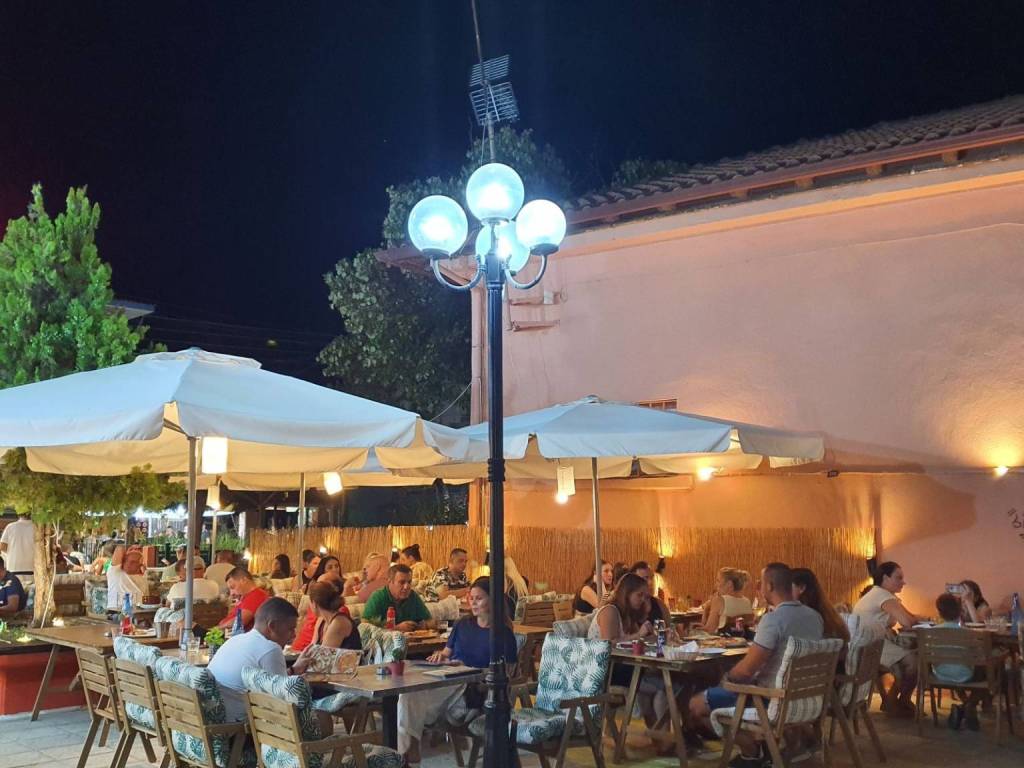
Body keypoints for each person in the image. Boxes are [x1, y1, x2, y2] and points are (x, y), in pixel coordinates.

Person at [689, 563, 824, 766]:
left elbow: (745, 671)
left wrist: (726, 680)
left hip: (769, 699)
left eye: (761, 583)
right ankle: (763, 749)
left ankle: (751, 751)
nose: (759, 587)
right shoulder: (815, 618)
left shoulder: (773, 620)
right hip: (804, 698)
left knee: (695, 705)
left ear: (770, 586)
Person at [397, 577, 518, 762]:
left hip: (473, 685)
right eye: (471, 598)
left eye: (479, 598)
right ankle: (408, 750)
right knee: (408, 694)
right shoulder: (462, 624)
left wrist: (471, 670)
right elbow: (446, 653)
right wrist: (440, 657)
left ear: (493, 600)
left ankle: (408, 754)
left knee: (415, 700)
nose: (473, 602)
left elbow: (507, 674)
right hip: (449, 676)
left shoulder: (503, 634)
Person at [590, 572, 673, 729]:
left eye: (645, 596)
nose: (643, 600)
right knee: (663, 687)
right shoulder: (610, 611)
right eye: (639, 595)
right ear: (626, 593)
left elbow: (637, 642)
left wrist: (660, 637)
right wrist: (639, 634)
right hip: (604, 671)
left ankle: (660, 736)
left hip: (623, 666)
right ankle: (662, 736)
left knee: (662, 684)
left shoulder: (627, 614)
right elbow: (608, 644)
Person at [209, 597, 300, 721]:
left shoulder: (235, 640)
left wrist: (294, 670)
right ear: (272, 626)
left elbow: (268, 682)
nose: (294, 635)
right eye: (290, 629)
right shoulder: (270, 649)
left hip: (216, 719)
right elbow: (283, 700)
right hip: (238, 726)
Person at [852, 561, 922, 715]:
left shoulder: (883, 595)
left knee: (910, 659)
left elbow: (910, 616)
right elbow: (907, 621)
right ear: (885, 578)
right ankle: (899, 701)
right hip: (869, 645)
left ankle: (894, 702)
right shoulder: (882, 595)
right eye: (899, 578)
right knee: (913, 661)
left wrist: (927, 618)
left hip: (870, 643)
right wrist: (925, 620)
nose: (903, 582)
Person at [932, 593, 982, 731]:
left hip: (939, 674)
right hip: (966, 674)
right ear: (961, 611)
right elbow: (978, 656)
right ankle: (969, 705)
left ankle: (964, 707)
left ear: (939, 612)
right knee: (993, 672)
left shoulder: (931, 632)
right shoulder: (968, 632)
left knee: (954, 666)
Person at [362, 564, 433, 630]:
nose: (406, 587)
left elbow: (431, 622)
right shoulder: (378, 597)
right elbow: (364, 628)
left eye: (409, 582)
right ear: (390, 582)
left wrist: (421, 626)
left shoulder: (413, 596)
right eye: (402, 582)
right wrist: (396, 628)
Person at [792, 568, 850, 645]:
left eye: (787, 587)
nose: (784, 592)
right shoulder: (830, 617)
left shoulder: (804, 620)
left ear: (801, 588)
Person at [307, 581, 361, 651]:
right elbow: (311, 650)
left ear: (314, 604)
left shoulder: (338, 623)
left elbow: (324, 654)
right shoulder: (321, 620)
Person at [698, 568, 754, 633]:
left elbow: (709, 630)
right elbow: (741, 628)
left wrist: (706, 609)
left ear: (729, 584)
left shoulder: (719, 600)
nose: (716, 584)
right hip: (741, 638)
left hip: (721, 638)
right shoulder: (747, 602)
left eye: (718, 581)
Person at [106, 545, 147, 611]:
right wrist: (130, 548)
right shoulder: (115, 570)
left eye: (136, 561)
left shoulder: (141, 573)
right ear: (124, 559)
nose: (133, 563)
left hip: (138, 611)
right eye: (131, 561)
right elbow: (119, 549)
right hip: (118, 611)